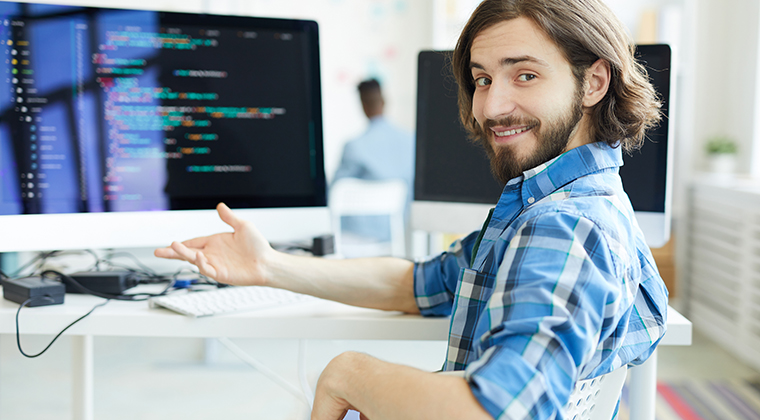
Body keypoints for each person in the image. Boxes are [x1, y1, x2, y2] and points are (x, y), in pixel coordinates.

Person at [154, 0, 669, 418]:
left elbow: (498, 411)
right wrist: (269, 266)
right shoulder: (567, 205)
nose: (488, 107)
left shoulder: (562, 226)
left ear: (595, 82)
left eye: (525, 75)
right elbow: (418, 284)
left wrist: (349, 372)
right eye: (483, 79)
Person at [331, 78, 415, 244]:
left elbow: (334, 192)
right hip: (397, 236)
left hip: (354, 240)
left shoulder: (353, 147)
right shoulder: (410, 141)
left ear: (363, 106)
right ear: (384, 102)